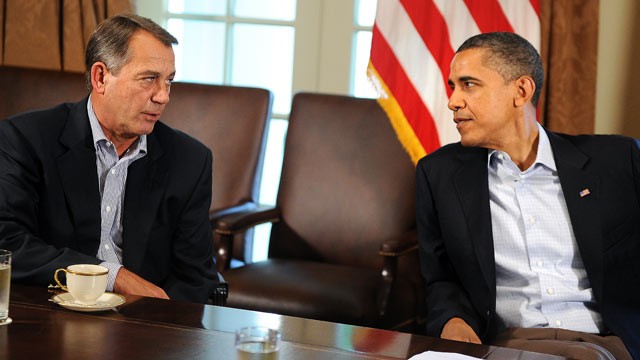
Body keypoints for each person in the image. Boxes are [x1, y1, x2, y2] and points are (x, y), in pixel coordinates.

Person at [416, 32, 639, 360]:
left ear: (521, 91)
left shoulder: (619, 160)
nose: (453, 100)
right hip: (512, 342)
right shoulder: (439, 174)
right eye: (453, 86)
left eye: (469, 84)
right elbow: (440, 279)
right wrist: (452, 320)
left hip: (613, 340)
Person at [0, 14, 220, 303]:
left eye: (169, 81)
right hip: (50, 312)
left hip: (144, 325)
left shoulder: (190, 160)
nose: (163, 96)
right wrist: (112, 276)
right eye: (149, 79)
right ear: (100, 77)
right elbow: (7, 242)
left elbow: (196, 278)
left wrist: (160, 326)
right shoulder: (25, 139)